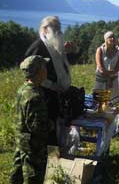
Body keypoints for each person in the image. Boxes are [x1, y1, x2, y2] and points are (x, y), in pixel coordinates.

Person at [25, 16, 80, 145]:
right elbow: (29, 74)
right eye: (55, 28)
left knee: (57, 126)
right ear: (44, 30)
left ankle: (57, 153)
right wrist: (52, 86)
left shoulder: (55, 44)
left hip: (58, 95)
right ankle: (50, 156)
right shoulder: (38, 47)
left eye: (60, 27)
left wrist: (74, 49)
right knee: (48, 128)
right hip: (44, 96)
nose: (59, 32)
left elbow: (70, 61)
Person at [10, 55, 49, 184]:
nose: (46, 70)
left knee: (17, 174)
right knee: (33, 176)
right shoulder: (35, 96)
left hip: (20, 139)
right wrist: (53, 125)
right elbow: (37, 127)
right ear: (38, 72)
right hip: (33, 146)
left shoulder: (22, 89)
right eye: (44, 67)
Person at [95, 31, 119, 104]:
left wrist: (110, 77)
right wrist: (108, 77)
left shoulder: (118, 52)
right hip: (101, 78)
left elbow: (118, 68)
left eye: (113, 37)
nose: (112, 39)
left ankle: (109, 113)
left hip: (113, 79)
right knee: (100, 101)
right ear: (106, 39)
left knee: (111, 102)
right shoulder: (100, 50)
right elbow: (100, 67)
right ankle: (100, 112)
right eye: (110, 37)